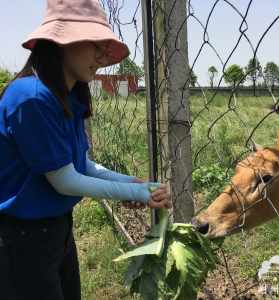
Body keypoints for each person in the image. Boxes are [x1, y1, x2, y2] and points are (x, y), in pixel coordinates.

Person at [0, 0, 171, 299]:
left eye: (105, 48)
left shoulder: (65, 96)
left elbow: (83, 166)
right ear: (62, 40)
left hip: (56, 231)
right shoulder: (32, 98)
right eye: (97, 44)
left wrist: (131, 183)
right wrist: (139, 195)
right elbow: (64, 180)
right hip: (21, 239)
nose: (104, 56)